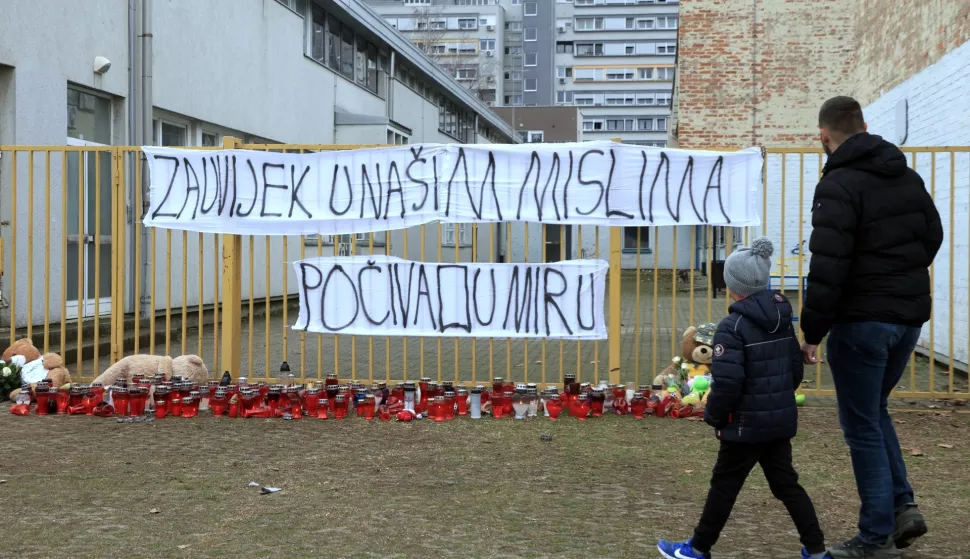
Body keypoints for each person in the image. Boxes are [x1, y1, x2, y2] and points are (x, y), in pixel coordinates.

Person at [800, 96, 942, 558]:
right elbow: (933, 234)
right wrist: (900, 279)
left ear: (825, 136)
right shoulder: (906, 175)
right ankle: (903, 507)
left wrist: (812, 331)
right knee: (873, 411)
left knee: (860, 425)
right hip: (905, 320)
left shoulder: (837, 184)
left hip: (861, 323)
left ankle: (874, 535)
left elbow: (827, 266)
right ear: (864, 125)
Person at [658, 237, 828, 559]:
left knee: (724, 486)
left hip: (743, 426)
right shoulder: (783, 317)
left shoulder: (731, 327)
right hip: (777, 421)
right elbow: (794, 368)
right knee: (787, 485)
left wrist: (714, 415)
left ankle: (696, 549)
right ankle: (817, 550)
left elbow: (728, 382)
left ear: (732, 286)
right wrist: (776, 398)